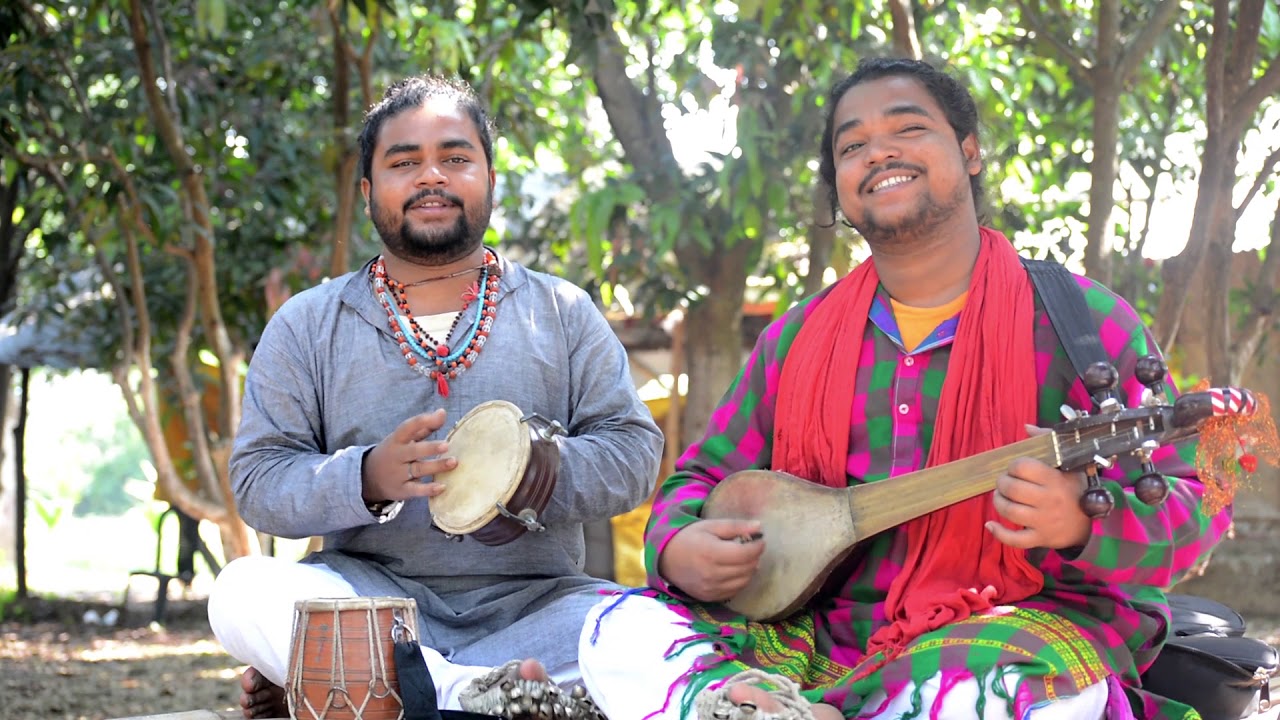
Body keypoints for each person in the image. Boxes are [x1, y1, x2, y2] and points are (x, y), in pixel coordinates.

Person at [577, 57, 1234, 720]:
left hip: (1006, 629)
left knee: (1013, 694)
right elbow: (702, 474)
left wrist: (1080, 524)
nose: (879, 151)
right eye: (852, 145)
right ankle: (795, 706)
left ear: (970, 151)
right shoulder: (798, 338)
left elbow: (1202, 505)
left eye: (908, 128)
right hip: (816, 631)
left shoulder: (1081, 322)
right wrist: (679, 545)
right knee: (619, 628)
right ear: (839, 188)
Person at [207, 75, 663, 719]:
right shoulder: (308, 323)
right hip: (370, 605)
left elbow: (634, 452)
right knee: (240, 590)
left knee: (655, 629)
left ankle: (376, 687)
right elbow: (258, 480)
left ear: (489, 178)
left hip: (542, 606)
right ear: (368, 191)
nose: (431, 176)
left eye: (455, 158)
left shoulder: (562, 311)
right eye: (403, 162)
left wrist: (535, 472)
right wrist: (366, 477)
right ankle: (466, 693)